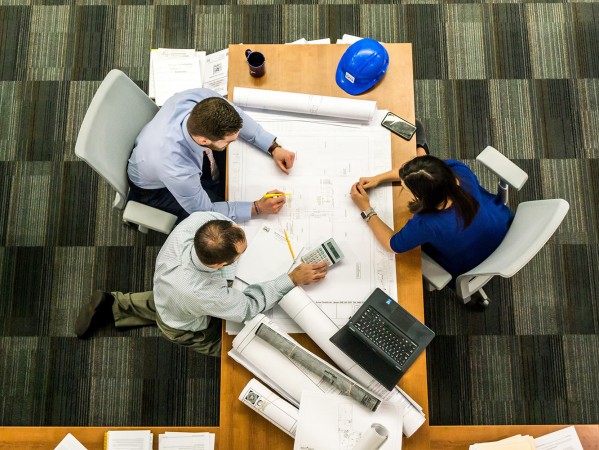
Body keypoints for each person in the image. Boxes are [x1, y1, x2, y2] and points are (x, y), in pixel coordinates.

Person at [74, 211, 328, 357]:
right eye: (240, 254)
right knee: (232, 346)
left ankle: (114, 304)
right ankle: (233, 353)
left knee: (165, 301)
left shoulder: (200, 222)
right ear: (220, 265)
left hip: (168, 288)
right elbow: (248, 307)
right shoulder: (204, 293)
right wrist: (291, 278)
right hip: (183, 322)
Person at [349, 122, 513, 286]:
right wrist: (378, 179)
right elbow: (420, 172)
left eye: (406, 188)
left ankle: (421, 149)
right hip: (502, 226)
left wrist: (366, 208)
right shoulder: (458, 170)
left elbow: (392, 245)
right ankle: (422, 149)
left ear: (423, 197)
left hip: (472, 263)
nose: (403, 188)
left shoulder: (426, 224)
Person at [127, 88, 297, 222]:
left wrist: (273, 147)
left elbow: (239, 116)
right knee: (215, 223)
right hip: (155, 190)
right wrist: (257, 208)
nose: (234, 142)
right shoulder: (178, 170)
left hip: (158, 149)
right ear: (203, 140)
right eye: (229, 141)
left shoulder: (202, 99)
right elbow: (205, 211)